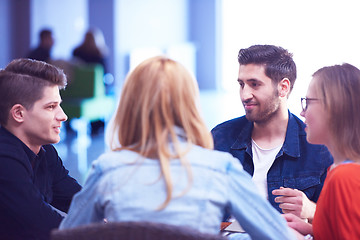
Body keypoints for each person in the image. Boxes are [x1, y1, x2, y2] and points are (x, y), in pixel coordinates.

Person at [59, 56, 295, 240]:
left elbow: (70, 235)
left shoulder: (107, 170)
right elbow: (276, 235)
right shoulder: (220, 170)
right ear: (190, 104)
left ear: (130, 104)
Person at [211, 45, 333, 222]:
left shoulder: (318, 148)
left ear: (283, 87)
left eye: (254, 84)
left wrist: (311, 210)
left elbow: (337, 223)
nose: (245, 95)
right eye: (241, 84)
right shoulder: (220, 137)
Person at [0, 59, 82, 240]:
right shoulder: (4, 158)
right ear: (19, 113)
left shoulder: (44, 150)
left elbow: (79, 201)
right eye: (51, 107)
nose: (63, 116)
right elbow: (42, 224)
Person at [283, 63, 360, 240]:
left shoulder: (344, 178)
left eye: (308, 102)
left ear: (334, 107)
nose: (302, 112)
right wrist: (312, 230)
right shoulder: (340, 170)